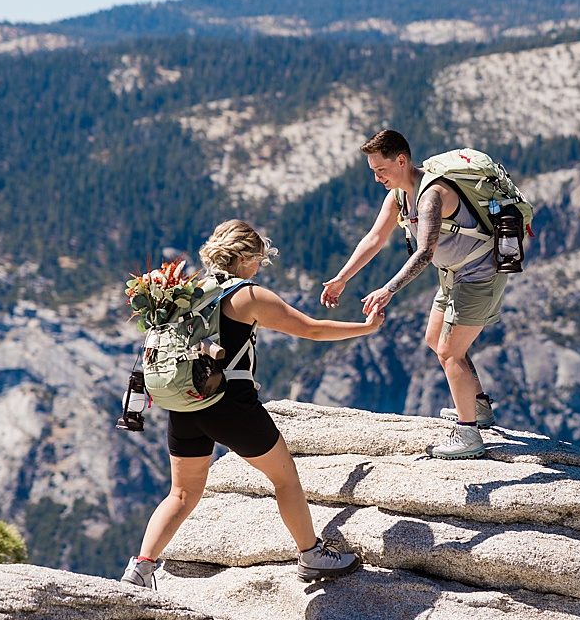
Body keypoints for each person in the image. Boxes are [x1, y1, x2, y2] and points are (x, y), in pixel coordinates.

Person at [123, 220, 382, 588]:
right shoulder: (247, 295)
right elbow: (311, 329)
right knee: (285, 479)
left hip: (184, 404)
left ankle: (141, 568)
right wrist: (365, 328)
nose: (260, 266)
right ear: (244, 258)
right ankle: (310, 555)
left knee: (181, 493)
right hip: (230, 405)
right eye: (259, 258)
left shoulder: (186, 290)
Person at [320, 129, 502, 459]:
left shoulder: (432, 195)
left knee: (450, 352)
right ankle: (480, 408)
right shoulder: (399, 196)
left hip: (478, 276)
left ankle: (469, 435)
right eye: (373, 171)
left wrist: (388, 289)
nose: (376, 178)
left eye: (381, 170)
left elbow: (425, 253)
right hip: (453, 277)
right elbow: (374, 239)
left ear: (401, 160)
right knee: (436, 339)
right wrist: (341, 279)